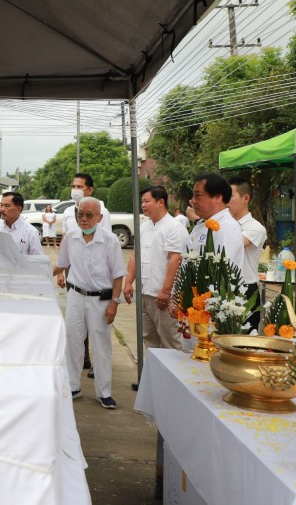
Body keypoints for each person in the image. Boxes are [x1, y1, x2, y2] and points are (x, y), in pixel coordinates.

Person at [52, 197, 127, 409]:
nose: (83, 219)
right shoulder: (70, 237)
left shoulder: (110, 241)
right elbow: (61, 265)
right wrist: (37, 273)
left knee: (101, 345)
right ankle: (73, 386)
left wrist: (114, 303)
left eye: (88, 215)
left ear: (99, 218)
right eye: (80, 215)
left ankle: (104, 392)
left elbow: (118, 275)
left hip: (100, 300)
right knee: (73, 342)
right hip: (75, 296)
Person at [123, 186, 187, 356]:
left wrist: (166, 291)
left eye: (147, 201)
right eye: (142, 201)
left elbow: (175, 259)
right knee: (149, 340)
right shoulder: (144, 227)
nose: (143, 205)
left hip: (163, 297)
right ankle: (153, 373)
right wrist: (128, 282)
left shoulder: (174, 227)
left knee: (169, 342)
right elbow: (135, 256)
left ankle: (171, 374)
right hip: (144, 293)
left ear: (160, 202)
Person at [188, 173, 245, 275]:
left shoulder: (226, 227)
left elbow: (222, 273)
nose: (192, 201)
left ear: (218, 197)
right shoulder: (203, 224)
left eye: (198, 195)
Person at [229, 177, 267, 328]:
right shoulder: (224, 225)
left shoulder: (255, 228)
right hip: (225, 288)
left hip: (245, 290)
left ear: (246, 198)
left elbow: (234, 244)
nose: (225, 201)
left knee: (244, 337)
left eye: (230, 196)